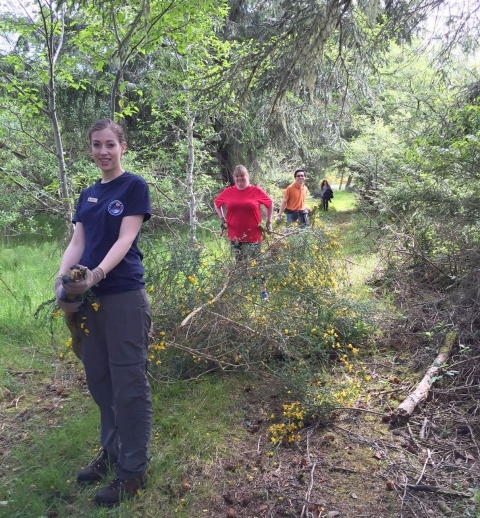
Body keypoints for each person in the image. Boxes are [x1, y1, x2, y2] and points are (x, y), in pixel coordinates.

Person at [54, 119, 152, 507]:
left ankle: (133, 470)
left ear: (122, 146)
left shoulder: (134, 186)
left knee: (129, 382)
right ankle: (111, 452)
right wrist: (62, 282)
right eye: (97, 145)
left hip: (123, 296)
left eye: (110, 144)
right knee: (99, 379)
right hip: (88, 303)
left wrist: (95, 275)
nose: (103, 152)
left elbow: (126, 238)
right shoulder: (89, 194)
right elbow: (78, 240)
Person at [214, 164, 273, 299]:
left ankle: (263, 291)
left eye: (242, 175)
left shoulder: (256, 191)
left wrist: (269, 222)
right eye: (237, 176)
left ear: (247, 176)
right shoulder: (228, 191)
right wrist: (222, 219)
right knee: (239, 264)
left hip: (253, 235)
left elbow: (270, 204)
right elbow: (216, 203)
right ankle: (241, 290)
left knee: (257, 263)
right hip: (235, 235)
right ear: (234, 178)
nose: (240, 178)